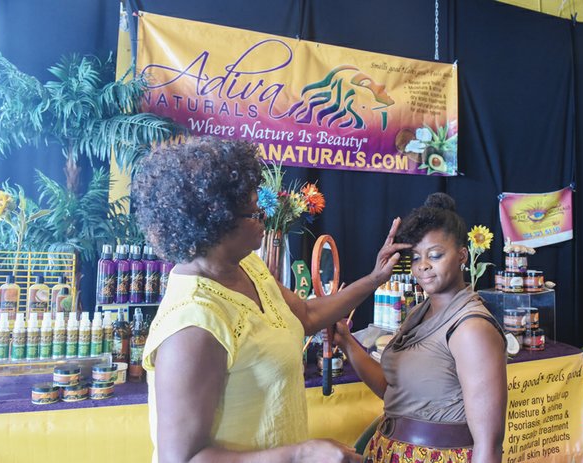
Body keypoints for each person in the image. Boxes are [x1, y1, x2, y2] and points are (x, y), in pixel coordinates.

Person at [132, 136, 407, 463]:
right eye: (252, 212)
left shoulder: (246, 265)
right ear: (216, 224)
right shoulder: (194, 322)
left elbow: (305, 315)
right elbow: (182, 459)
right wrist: (301, 454)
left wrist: (375, 279)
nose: (263, 213)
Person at [333, 193, 507, 463]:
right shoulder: (418, 312)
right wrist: (345, 340)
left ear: (462, 255)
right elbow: (394, 390)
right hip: (390, 452)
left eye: (435, 255)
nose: (423, 265)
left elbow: (489, 443)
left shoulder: (471, 329)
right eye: (415, 258)